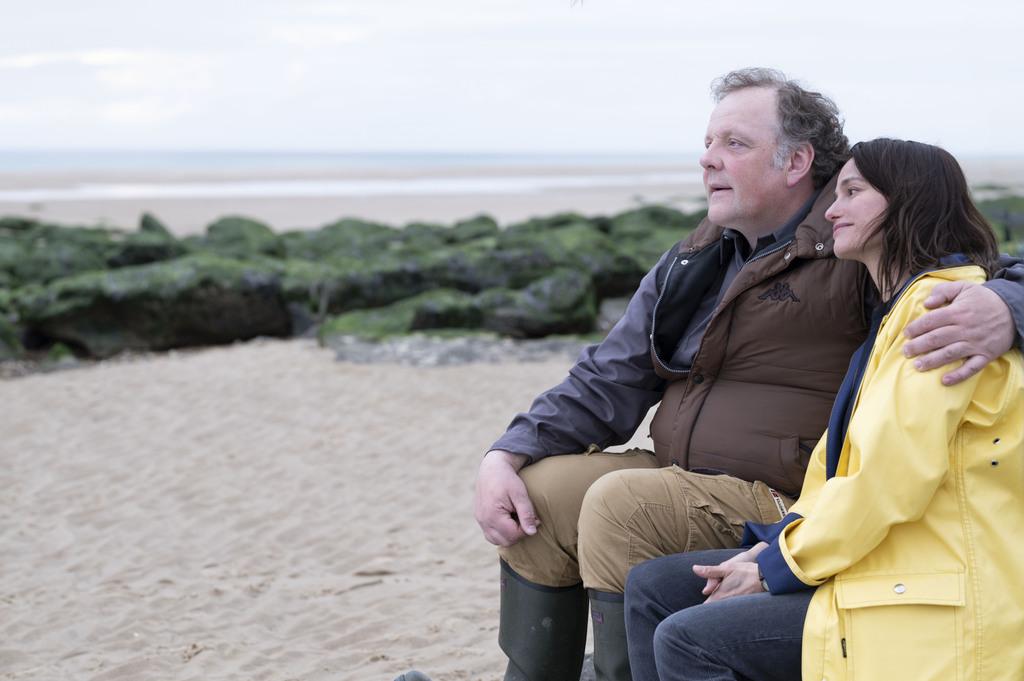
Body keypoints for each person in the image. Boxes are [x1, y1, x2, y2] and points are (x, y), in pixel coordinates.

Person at [394, 69, 1024, 681]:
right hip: (685, 475)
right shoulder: (697, 256)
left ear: (796, 161)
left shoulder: (856, 245)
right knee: (539, 492)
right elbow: (608, 375)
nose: (708, 159)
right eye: (707, 142)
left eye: (734, 143)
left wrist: (1007, 306)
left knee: (621, 505)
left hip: (789, 494)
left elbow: (962, 266)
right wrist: (508, 451)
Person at [624, 138, 1024, 681]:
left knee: (690, 640)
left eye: (853, 192)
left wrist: (775, 568)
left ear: (907, 202)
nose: (832, 210)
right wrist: (770, 547)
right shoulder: (898, 311)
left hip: (930, 588)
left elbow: (887, 480)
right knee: (654, 587)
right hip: (880, 557)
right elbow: (833, 477)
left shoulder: (941, 319)